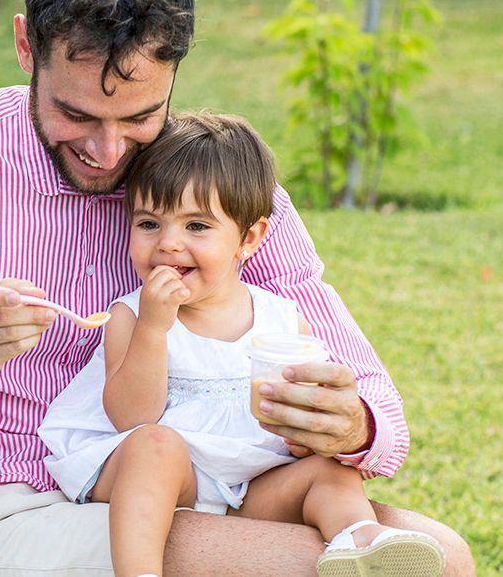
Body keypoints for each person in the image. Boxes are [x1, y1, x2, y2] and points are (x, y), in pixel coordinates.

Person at [0, 0, 473, 576]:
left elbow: (378, 410)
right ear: (27, 46)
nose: (108, 153)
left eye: (139, 118)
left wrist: (352, 424)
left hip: (214, 495)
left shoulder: (218, 188)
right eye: (77, 116)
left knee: (441, 558)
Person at [38, 112, 445, 577]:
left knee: (333, 473)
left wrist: (300, 440)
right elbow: (132, 417)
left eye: (197, 227)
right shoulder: (130, 316)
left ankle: (361, 540)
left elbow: (298, 424)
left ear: (248, 239)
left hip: (251, 486)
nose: (169, 245)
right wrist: (155, 326)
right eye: (149, 224)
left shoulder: (282, 320)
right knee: (154, 446)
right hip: (169, 476)